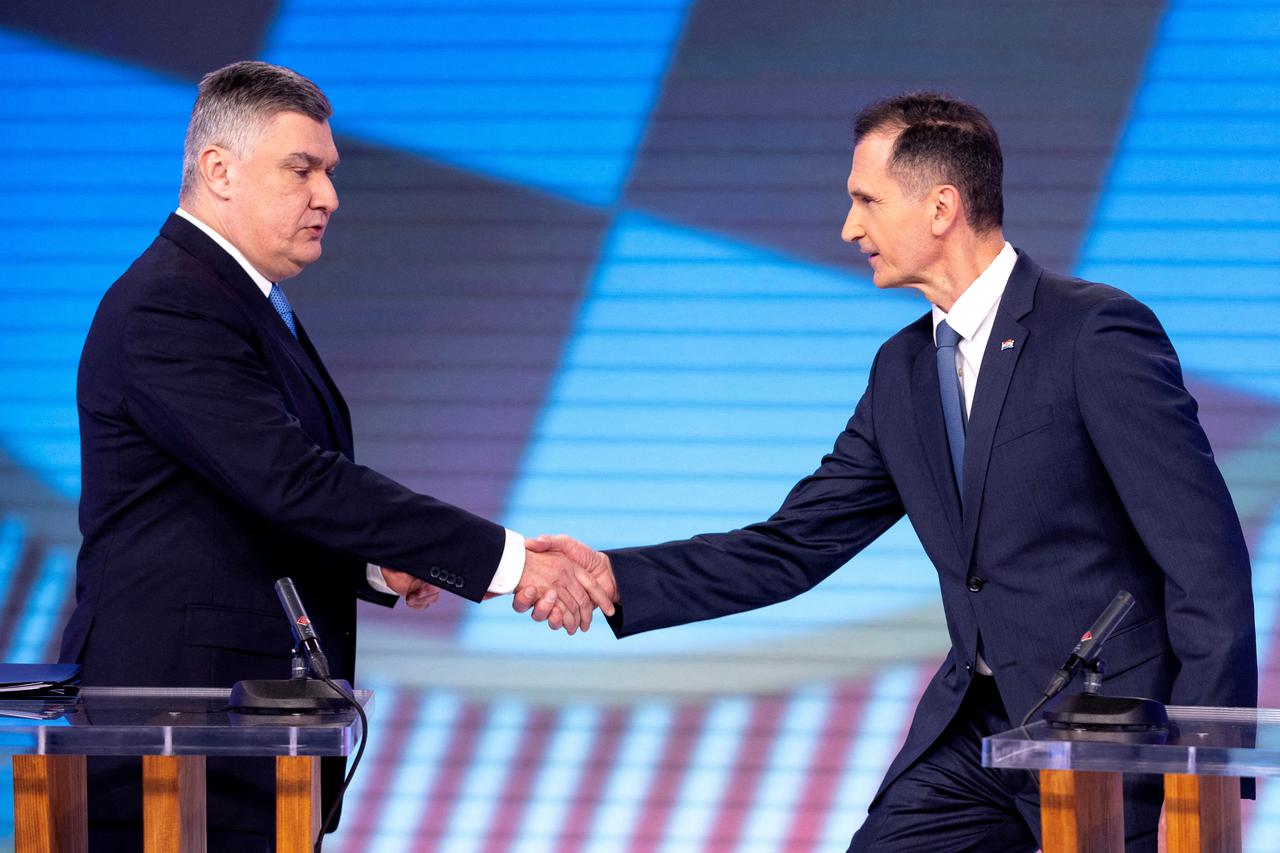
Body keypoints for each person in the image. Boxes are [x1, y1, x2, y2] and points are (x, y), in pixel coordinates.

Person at [523, 91, 1257, 851]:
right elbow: (792, 544)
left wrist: (1199, 779)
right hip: (978, 731)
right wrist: (614, 575)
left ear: (941, 206)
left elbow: (1206, 564)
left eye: (866, 200)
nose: (850, 227)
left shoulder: (1093, 332)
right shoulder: (902, 370)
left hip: (1106, 730)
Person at [62, 60, 606, 851]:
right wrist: (511, 562)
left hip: (238, 745)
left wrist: (379, 567)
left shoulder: (238, 302)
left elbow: (239, 504)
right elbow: (294, 481)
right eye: (302, 168)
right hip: (171, 743)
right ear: (218, 170)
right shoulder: (170, 304)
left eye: (328, 171)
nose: (329, 195)